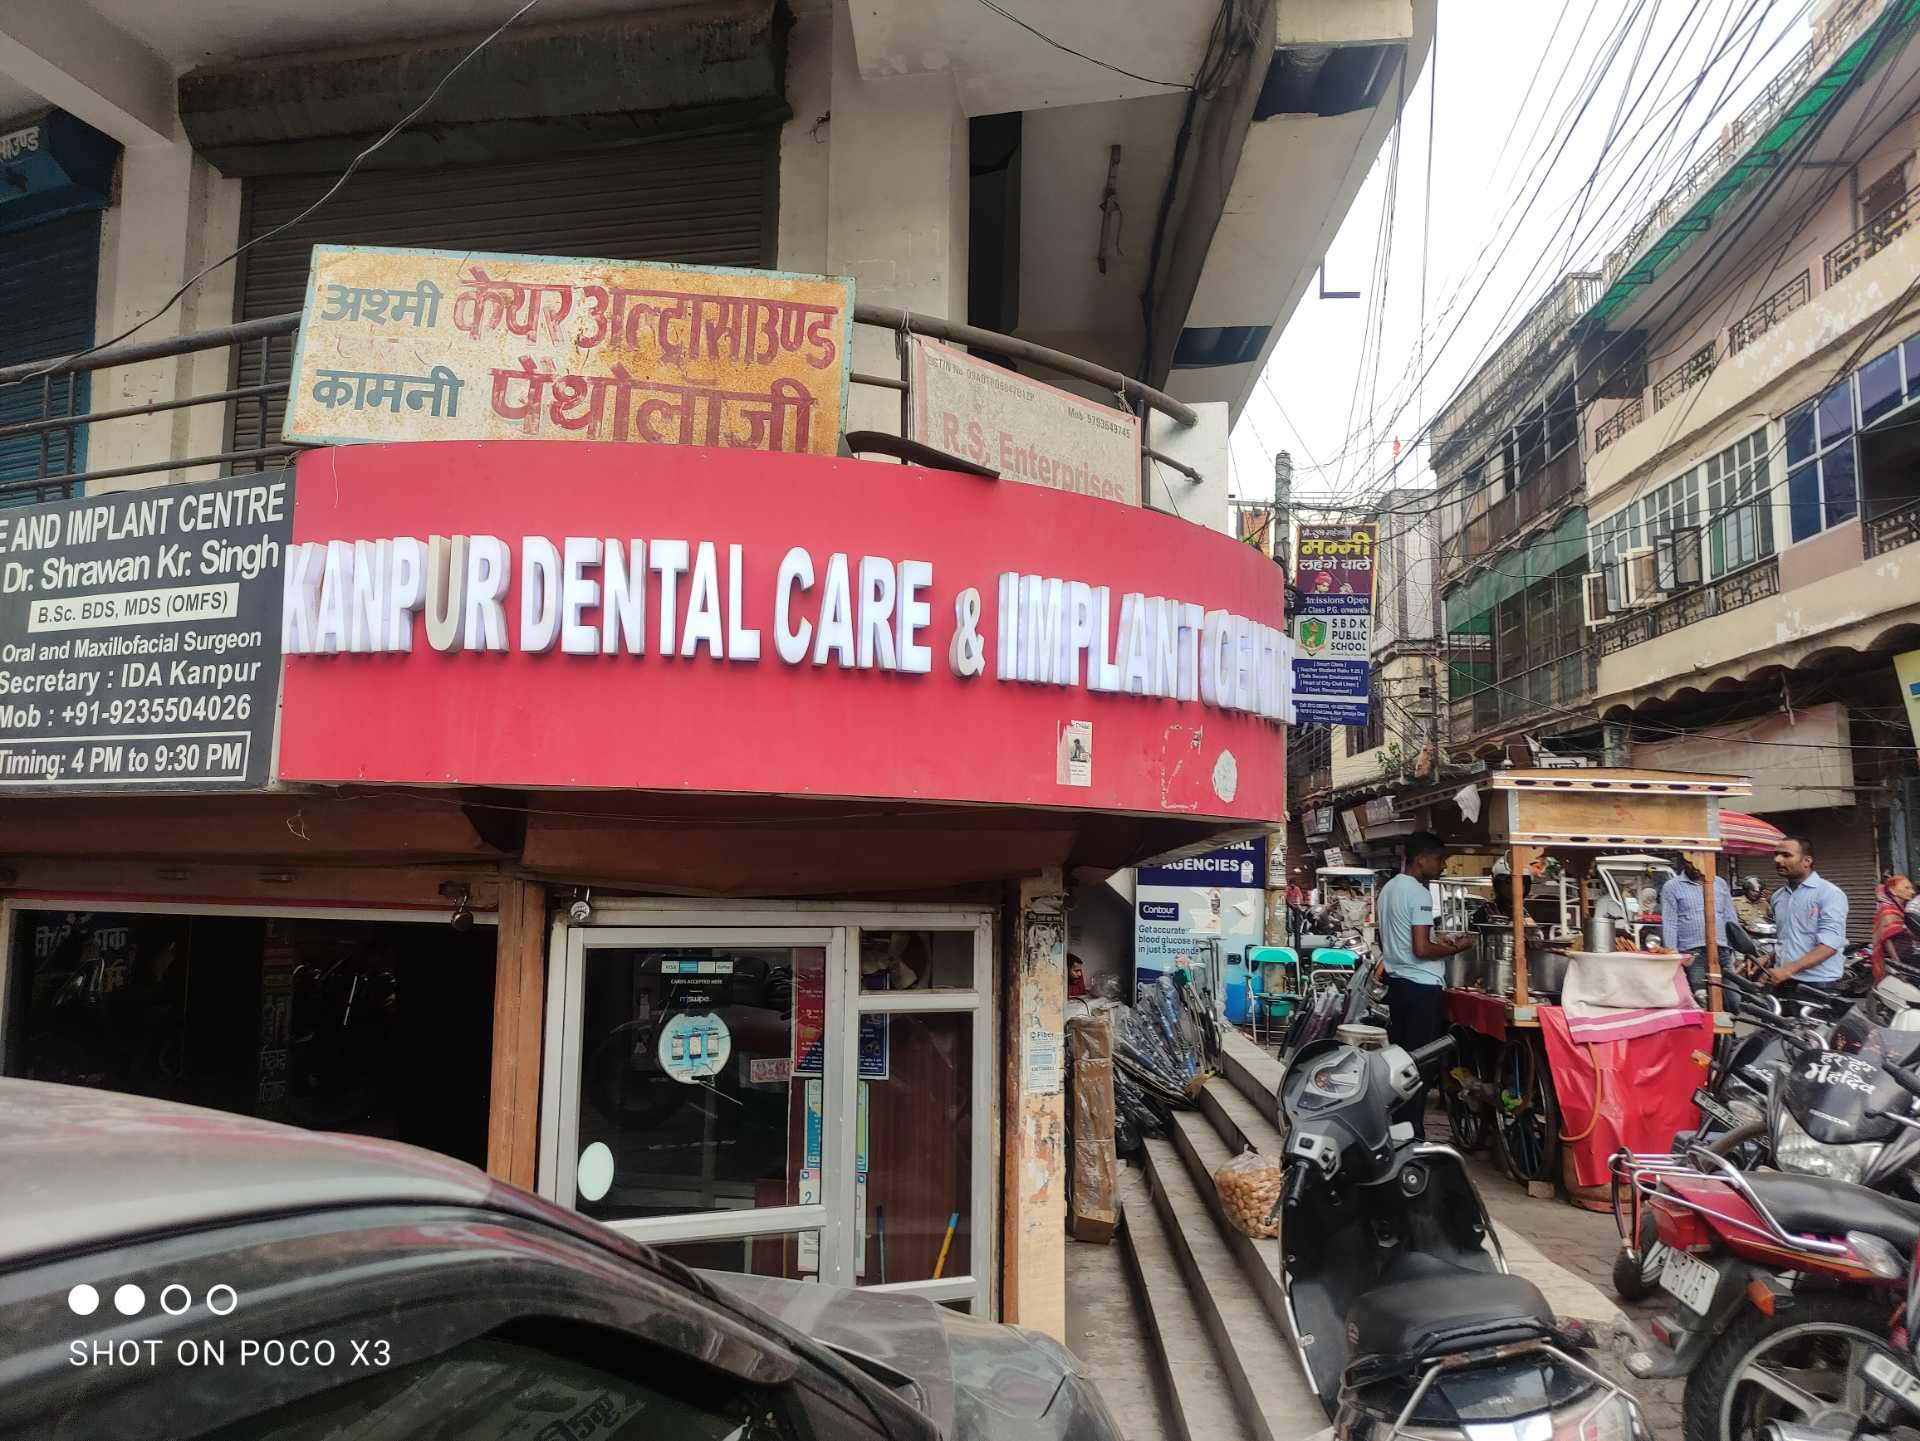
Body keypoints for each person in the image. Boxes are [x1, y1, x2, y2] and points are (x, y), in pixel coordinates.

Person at [1376, 831, 1473, 1136]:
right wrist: (1458, 946)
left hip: (1397, 984)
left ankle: (1399, 1128)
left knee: (1402, 1061)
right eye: (1439, 859)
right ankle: (1413, 1132)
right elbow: (1421, 950)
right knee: (1419, 1065)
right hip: (1421, 988)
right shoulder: (1418, 893)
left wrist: (1435, 940)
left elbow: (1403, 941)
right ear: (1421, 859)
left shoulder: (1389, 889)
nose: (1443, 865)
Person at [1765, 836, 1848, 990]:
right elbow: (1788, 942)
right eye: (1776, 854)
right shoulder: (1778, 897)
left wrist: (1788, 969)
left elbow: (1829, 945)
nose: (1777, 859)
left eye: (1786, 855)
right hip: (1784, 982)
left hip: (1818, 984)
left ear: (1807, 861)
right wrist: (1767, 958)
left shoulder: (1829, 893)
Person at [1660, 856, 1735, 995]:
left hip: (1722, 950)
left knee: (1734, 997)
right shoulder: (1672, 887)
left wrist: (1739, 953)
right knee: (1701, 997)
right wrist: (1672, 954)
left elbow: (1730, 918)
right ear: (1683, 862)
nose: (1695, 866)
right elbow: (1670, 922)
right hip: (1693, 952)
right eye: (1689, 862)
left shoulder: (1720, 884)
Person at [1870, 876, 1917, 981]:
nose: (1912, 891)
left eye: (1911, 888)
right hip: (1898, 959)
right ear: (1893, 891)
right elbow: (1887, 940)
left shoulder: (1902, 908)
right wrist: (1897, 963)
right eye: (1907, 888)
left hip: (1908, 955)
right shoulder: (1888, 910)